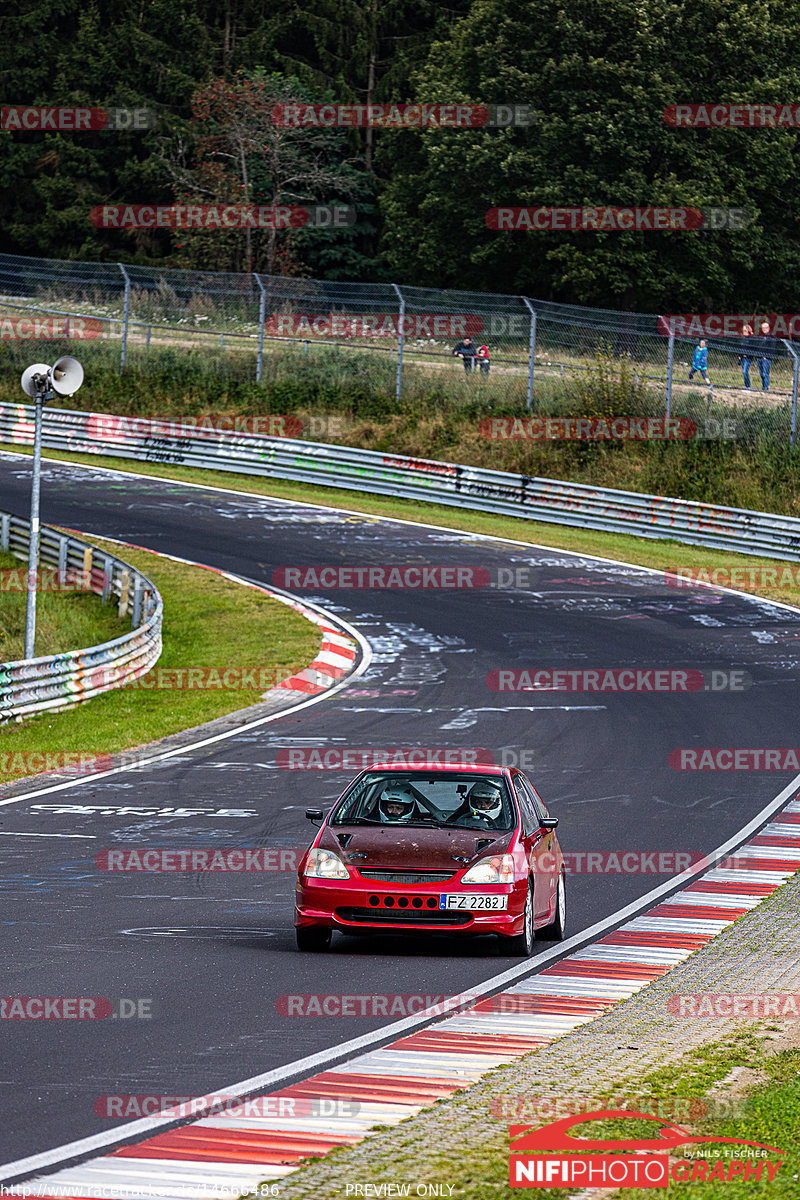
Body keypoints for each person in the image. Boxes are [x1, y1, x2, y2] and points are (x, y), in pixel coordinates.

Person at [756, 320, 774, 391]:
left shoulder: (771, 337)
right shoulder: (760, 336)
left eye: (765, 328)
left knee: (765, 373)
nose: (764, 329)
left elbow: (772, 348)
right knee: (761, 374)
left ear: (768, 328)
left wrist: (766, 356)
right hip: (759, 357)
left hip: (766, 358)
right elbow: (758, 346)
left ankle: (766, 387)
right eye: (762, 328)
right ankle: (763, 386)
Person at [738, 323, 753, 390]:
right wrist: (739, 355)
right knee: (744, 372)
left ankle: (748, 386)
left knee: (745, 371)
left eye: (745, 331)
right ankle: (746, 386)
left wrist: (751, 331)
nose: (743, 332)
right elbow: (741, 348)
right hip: (742, 358)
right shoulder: (743, 339)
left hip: (748, 358)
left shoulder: (751, 339)